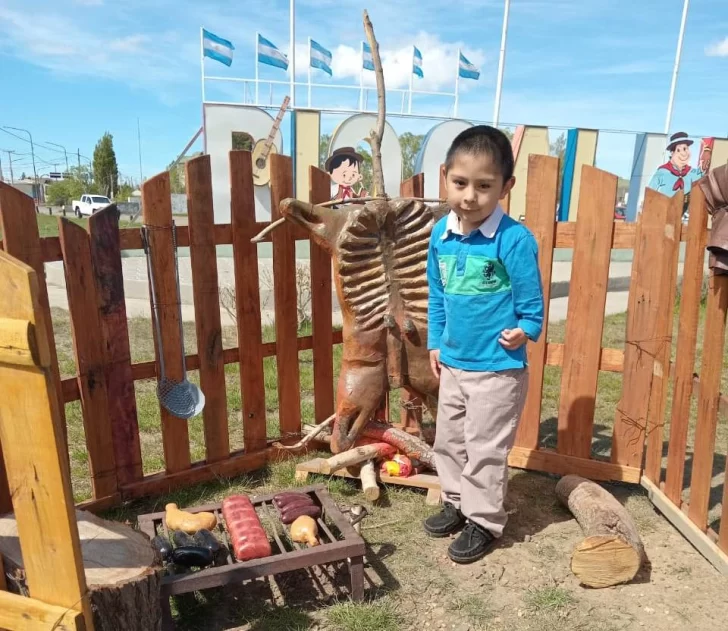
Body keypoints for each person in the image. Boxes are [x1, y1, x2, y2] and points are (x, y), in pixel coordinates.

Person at [424, 125, 544, 564]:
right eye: (459, 184)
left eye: (484, 186)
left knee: (486, 448)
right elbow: (436, 295)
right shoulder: (440, 235)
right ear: (444, 176)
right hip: (453, 364)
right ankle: (455, 502)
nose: (469, 196)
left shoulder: (513, 240)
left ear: (506, 187)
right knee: (449, 441)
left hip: (498, 368)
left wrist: (525, 329)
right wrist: (436, 342)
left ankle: (485, 520)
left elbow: (531, 303)